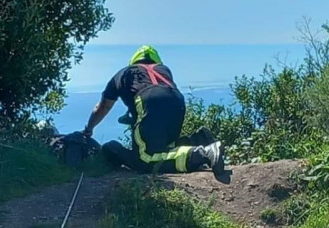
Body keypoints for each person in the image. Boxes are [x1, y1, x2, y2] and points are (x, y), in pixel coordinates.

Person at [83, 45, 230, 183]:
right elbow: (161, 95)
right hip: (177, 100)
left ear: (133, 62)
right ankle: (199, 139)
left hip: (149, 100)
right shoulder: (163, 70)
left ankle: (203, 154)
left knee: (145, 160)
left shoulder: (124, 73)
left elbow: (103, 107)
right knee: (165, 147)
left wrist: (88, 129)